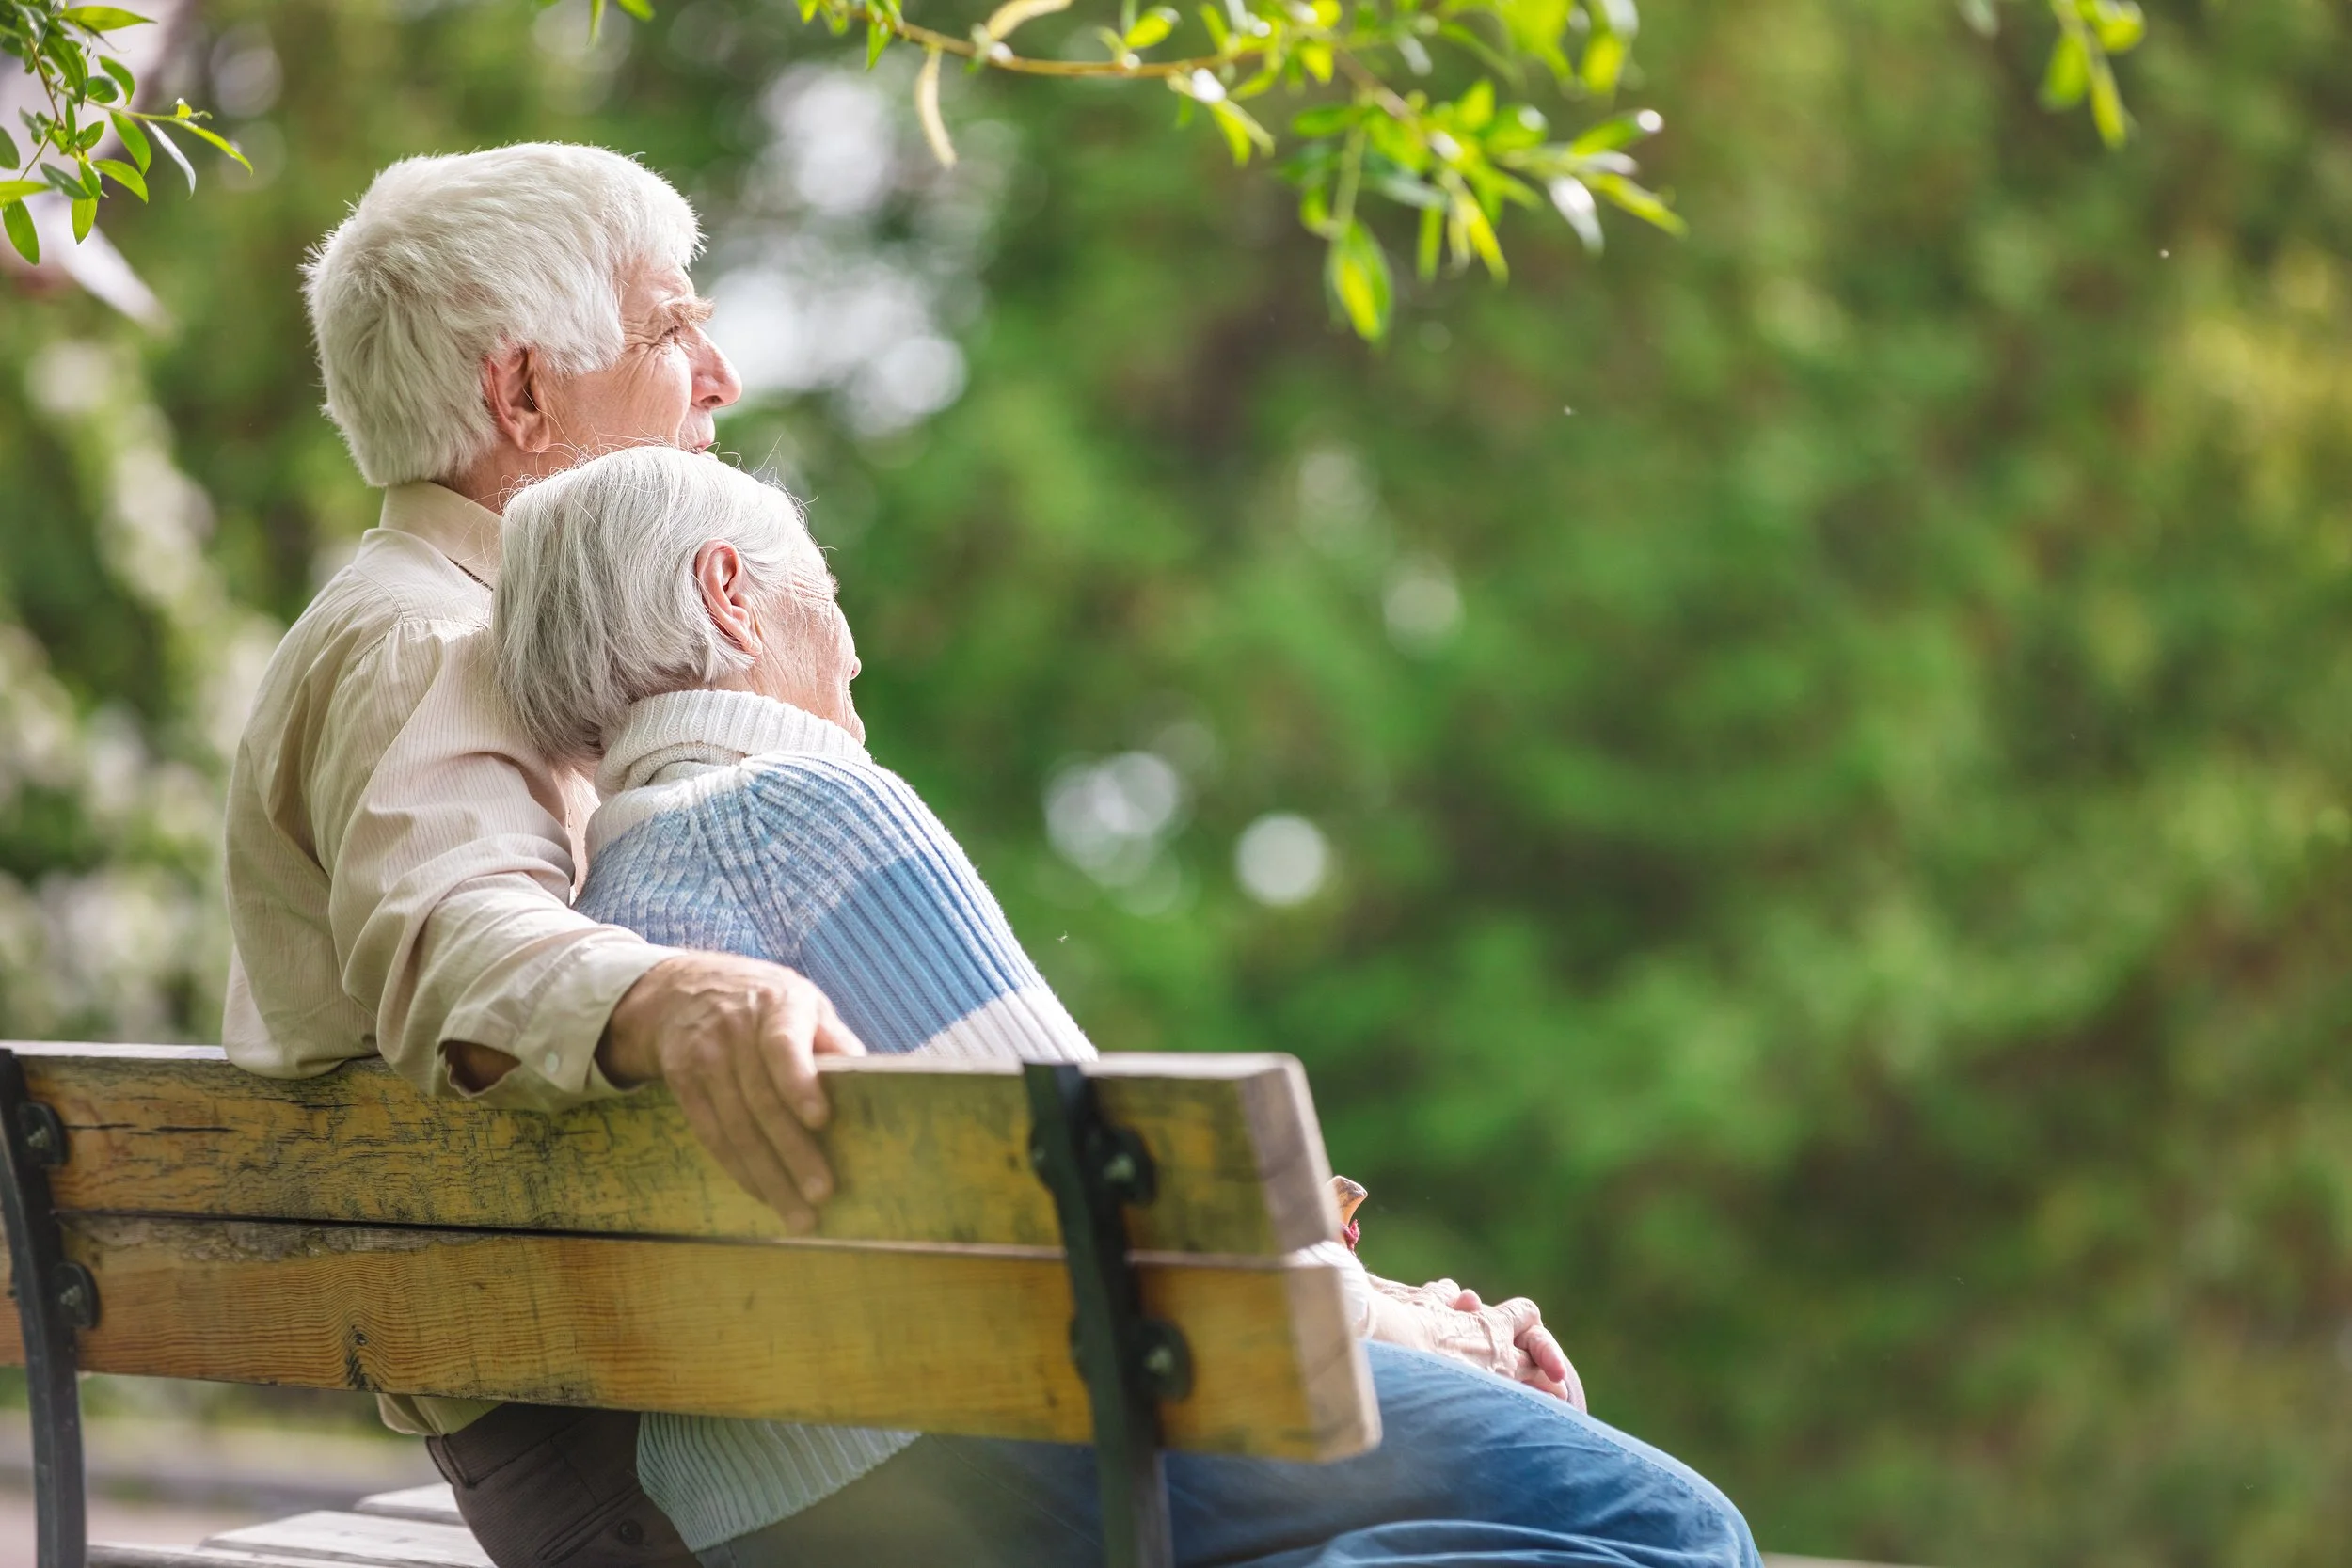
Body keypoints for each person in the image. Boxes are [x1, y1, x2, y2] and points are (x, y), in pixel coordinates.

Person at [490, 444, 1764, 1568]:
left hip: (751, 1516)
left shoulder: (601, 907)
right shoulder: (800, 811)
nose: (857, 645)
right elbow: (1131, 1220)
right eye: (826, 596)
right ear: (730, 593)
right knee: (1677, 1530)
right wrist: (1447, 1333)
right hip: (984, 1452)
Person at [222, 144, 863, 1568]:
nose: (721, 375)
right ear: (521, 395)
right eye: (671, 326)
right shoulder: (431, 638)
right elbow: (458, 937)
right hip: (626, 1455)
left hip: (654, 1394)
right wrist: (680, 998)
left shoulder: (485, 632)